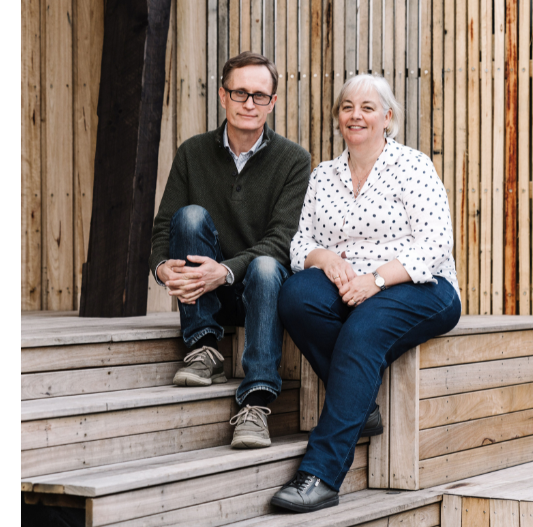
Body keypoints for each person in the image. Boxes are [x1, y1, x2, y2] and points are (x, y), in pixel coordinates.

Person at [270, 74, 462, 513]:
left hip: (421, 286)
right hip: (349, 284)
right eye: (347, 107)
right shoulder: (324, 175)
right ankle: (360, 404)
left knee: (363, 332)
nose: (356, 115)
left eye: (368, 107)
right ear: (338, 117)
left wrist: (375, 280)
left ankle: (321, 474)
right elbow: (300, 243)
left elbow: (434, 246)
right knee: (295, 296)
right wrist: (324, 259)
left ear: (387, 118)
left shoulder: (412, 166)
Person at [148, 52, 311, 450]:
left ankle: (256, 403)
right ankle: (203, 346)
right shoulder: (193, 152)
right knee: (187, 218)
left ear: (272, 102)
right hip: (205, 294)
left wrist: (223, 270)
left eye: (259, 95)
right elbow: (164, 227)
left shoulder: (294, 160)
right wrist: (160, 268)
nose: (249, 104)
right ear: (223, 96)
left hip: (262, 292)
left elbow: (283, 239)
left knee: (270, 267)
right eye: (240, 93)